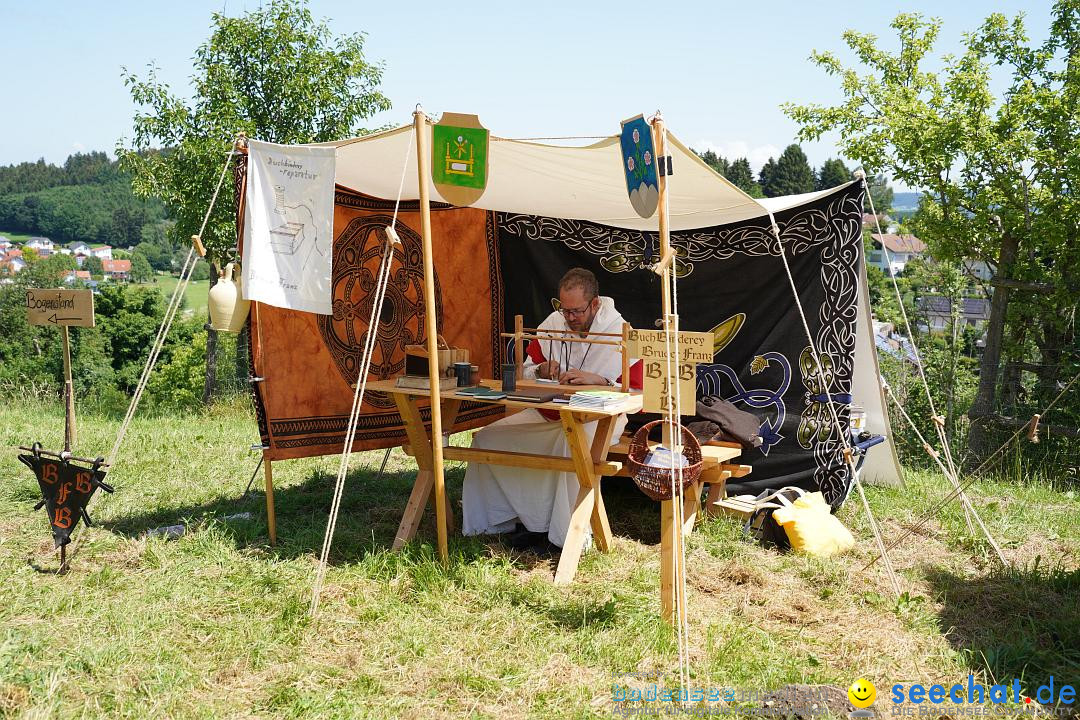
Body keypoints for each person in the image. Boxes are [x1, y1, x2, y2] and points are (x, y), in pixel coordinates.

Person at [462, 268, 640, 551]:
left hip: (596, 419)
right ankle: (510, 521)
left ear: (595, 304)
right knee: (488, 439)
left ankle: (563, 535)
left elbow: (639, 393)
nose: (568, 318)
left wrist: (601, 380)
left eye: (576, 312)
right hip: (549, 412)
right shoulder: (553, 323)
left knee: (570, 447)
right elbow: (528, 370)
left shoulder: (621, 332)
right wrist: (541, 369)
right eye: (564, 309)